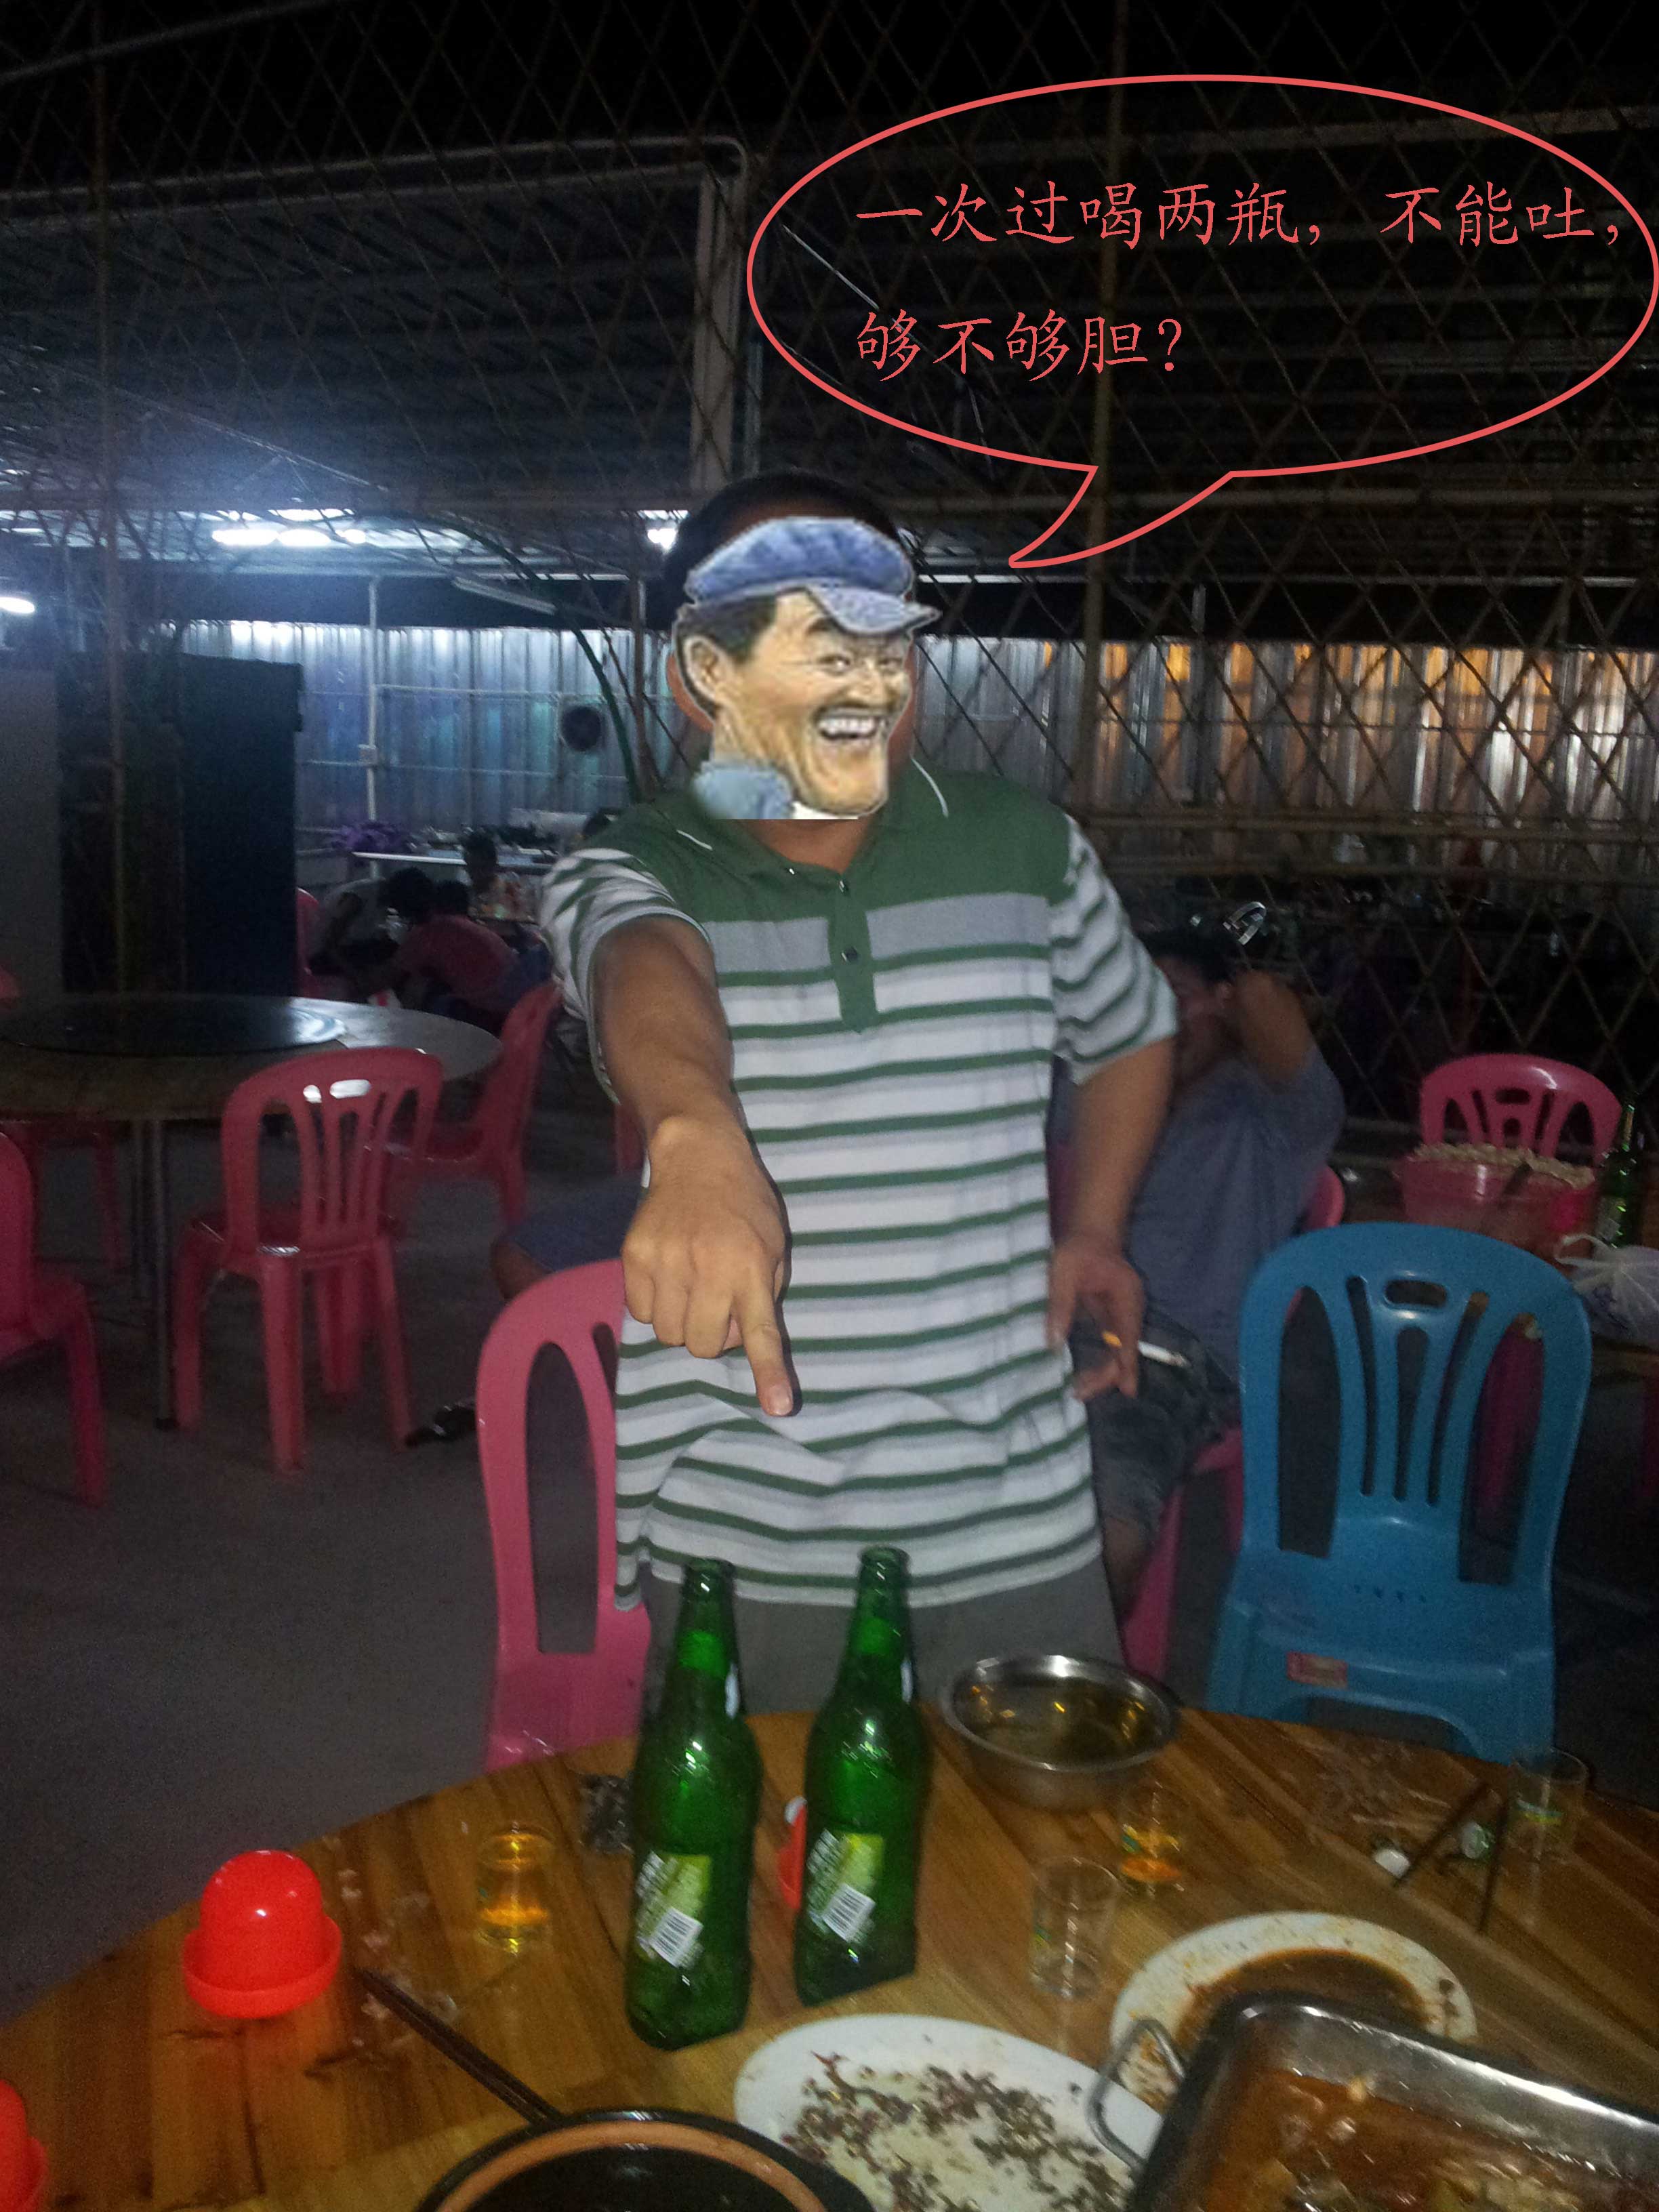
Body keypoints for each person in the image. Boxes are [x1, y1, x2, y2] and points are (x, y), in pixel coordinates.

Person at [539, 469, 1177, 1713]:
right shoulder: (634, 864)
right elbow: (642, 964)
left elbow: (1130, 1031)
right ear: (700, 678)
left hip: (1016, 1519)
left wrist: (1096, 1226)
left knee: (1031, 1835)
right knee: (760, 1833)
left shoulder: (1028, 850)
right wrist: (695, 1132)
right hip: (749, 1537)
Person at [1059, 926, 1345, 1613]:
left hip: (1170, 1357)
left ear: (1222, 1004)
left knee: (1108, 1523)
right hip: (1053, 1327)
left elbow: (1265, 997)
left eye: (1175, 997)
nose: (1154, 1019)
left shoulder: (1273, 1115)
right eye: (1139, 1002)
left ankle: (1072, 1659)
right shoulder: (1097, 1100)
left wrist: (1221, 997)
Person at [371, 865, 519, 1027]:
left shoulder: (427, 933)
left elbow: (383, 979)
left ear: (402, 906)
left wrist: (353, 977)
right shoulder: (457, 923)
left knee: (419, 991)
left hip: (490, 1012)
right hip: (515, 1007)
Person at [462, 830, 538, 931]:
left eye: (482, 868)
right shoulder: (463, 895)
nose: (476, 874)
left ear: (494, 865)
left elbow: (509, 921)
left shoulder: (510, 893)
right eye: (472, 868)